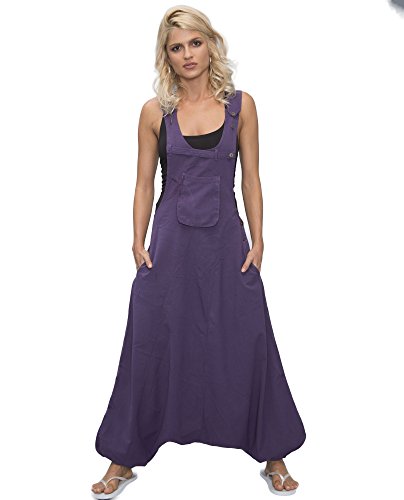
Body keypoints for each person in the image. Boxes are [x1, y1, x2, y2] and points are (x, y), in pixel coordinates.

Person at [91, 5, 306, 499]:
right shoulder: (154, 112)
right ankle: (123, 456)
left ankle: (273, 453)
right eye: (176, 47)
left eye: (195, 42)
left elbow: (251, 178)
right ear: (165, 55)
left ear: (211, 45)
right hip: (169, 244)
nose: (187, 54)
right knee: (150, 340)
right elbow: (144, 182)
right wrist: (137, 241)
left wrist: (259, 239)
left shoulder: (242, 106)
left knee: (249, 337)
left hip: (227, 242)